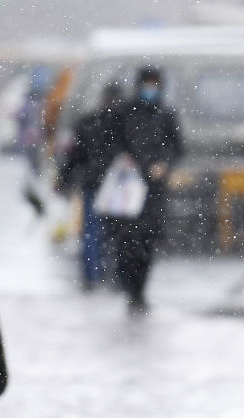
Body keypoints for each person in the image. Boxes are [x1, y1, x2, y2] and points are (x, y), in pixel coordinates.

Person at [110, 66, 182, 312]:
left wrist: (164, 164)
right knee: (126, 240)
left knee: (147, 241)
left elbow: (176, 146)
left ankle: (139, 290)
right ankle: (130, 288)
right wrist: (127, 159)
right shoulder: (125, 112)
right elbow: (113, 142)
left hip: (154, 189)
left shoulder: (166, 114)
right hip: (128, 186)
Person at [57, 82, 123, 290]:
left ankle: (92, 276)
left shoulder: (88, 122)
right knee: (114, 232)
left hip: (93, 182)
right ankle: (113, 276)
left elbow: (75, 156)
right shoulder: (124, 125)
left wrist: (64, 178)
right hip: (116, 185)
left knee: (92, 232)